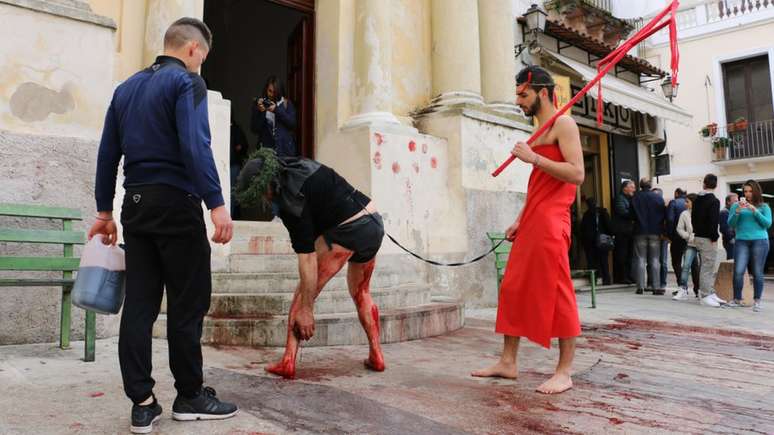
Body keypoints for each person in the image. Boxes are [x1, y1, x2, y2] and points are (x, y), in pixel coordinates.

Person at [88, 18, 238, 433]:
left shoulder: (126, 89)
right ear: (192, 49)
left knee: (139, 305)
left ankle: (142, 403)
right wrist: (216, 203)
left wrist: (104, 212)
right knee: (188, 304)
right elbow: (195, 144)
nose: (201, 64)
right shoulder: (187, 83)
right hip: (176, 205)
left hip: (135, 206)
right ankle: (190, 396)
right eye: (203, 57)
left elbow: (107, 154)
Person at [472, 65, 585, 394]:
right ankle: (508, 362)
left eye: (523, 94)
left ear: (543, 93)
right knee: (512, 286)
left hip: (552, 221)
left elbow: (577, 174)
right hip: (533, 218)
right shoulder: (538, 132)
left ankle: (564, 372)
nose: (518, 101)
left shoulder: (564, 124)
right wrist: (520, 219)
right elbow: (539, 185)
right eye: (518, 95)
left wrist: (534, 158)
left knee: (559, 291)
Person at [236, 148, 386, 380]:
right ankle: (376, 354)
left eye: (263, 192)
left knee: (303, 293)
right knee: (361, 292)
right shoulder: (299, 165)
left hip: (348, 229)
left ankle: (288, 361)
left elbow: (307, 259)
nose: (264, 198)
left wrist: (306, 309)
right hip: (373, 222)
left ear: (270, 183)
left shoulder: (291, 204)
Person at [727, 180, 772, 311]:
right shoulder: (736, 206)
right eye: (745, 191)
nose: (747, 194)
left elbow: (767, 224)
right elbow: (731, 224)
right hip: (741, 241)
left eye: (750, 191)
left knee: (757, 272)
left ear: (756, 191)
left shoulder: (764, 206)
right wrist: (737, 212)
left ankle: (757, 301)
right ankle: (737, 299)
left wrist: (755, 211)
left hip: (760, 241)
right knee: (738, 271)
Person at [692, 173, 725, 307]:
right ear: (715, 185)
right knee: (707, 267)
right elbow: (713, 222)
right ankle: (705, 295)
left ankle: (710, 292)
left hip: (698, 236)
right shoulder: (714, 201)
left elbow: (693, 218)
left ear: (704, 184)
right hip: (708, 238)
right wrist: (714, 237)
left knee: (706, 266)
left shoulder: (697, 199)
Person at [632, 178, 665, 295]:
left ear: (640, 185)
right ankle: (656, 287)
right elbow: (663, 213)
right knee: (655, 259)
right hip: (655, 231)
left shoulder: (635, 197)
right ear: (650, 185)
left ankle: (640, 287)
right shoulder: (657, 197)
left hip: (639, 231)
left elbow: (631, 214)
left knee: (640, 259)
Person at [250, 75, 298, 157]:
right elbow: (254, 129)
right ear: (266, 89)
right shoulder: (260, 104)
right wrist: (262, 112)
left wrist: (276, 110)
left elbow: (292, 124)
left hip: (285, 151)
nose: (271, 94)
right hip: (266, 152)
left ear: (279, 91)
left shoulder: (286, 104)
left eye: (274, 92)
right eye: (270, 91)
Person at [673, 194, 701, 300]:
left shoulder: (702, 212)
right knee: (686, 266)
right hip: (691, 243)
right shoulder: (684, 214)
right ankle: (683, 289)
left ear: (693, 202)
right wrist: (687, 236)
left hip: (703, 243)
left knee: (702, 268)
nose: (685, 203)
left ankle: (700, 290)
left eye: (687, 201)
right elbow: (679, 228)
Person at [580, 197, 612, 285]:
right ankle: (606, 279)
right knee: (604, 261)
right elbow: (608, 225)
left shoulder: (586, 214)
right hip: (602, 240)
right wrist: (611, 235)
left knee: (591, 261)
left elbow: (583, 229)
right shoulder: (602, 212)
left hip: (590, 241)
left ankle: (593, 280)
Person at [612, 180, 636, 284]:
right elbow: (623, 212)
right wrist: (635, 214)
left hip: (629, 232)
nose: (634, 189)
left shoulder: (630, 199)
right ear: (625, 188)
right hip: (622, 232)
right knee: (622, 255)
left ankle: (629, 276)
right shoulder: (619, 198)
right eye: (632, 187)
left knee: (629, 255)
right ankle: (622, 277)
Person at [665, 188, 687, 289]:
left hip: (677, 237)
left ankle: (681, 286)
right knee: (692, 262)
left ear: (676, 193)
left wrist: (669, 235)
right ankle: (696, 288)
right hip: (689, 237)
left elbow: (670, 219)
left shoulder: (673, 203)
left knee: (676, 262)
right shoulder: (689, 202)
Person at [230, 116, 249, 219]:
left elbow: (243, 145)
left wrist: (239, 147)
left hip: (233, 165)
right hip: (229, 164)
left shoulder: (236, 129)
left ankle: (232, 215)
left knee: (233, 192)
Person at [652, 187, 669, 290]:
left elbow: (669, 221)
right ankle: (653, 282)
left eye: (657, 195)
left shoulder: (665, 208)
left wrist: (666, 234)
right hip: (652, 237)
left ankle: (662, 283)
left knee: (663, 261)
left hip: (663, 237)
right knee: (653, 261)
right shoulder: (649, 209)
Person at [720, 193, 739, 260]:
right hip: (731, 241)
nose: (737, 203)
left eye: (738, 201)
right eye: (735, 201)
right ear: (728, 202)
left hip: (735, 240)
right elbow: (724, 228)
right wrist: (732, 239)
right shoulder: (724, 212)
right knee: (731, 261)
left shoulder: (732, 212)